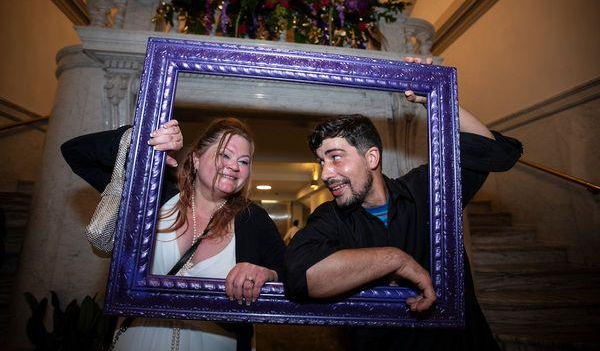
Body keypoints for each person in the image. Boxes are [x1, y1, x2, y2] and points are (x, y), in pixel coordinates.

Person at [285, 80, 522, 349]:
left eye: (335, 157)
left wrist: (435, 99)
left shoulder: (424, 191)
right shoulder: (330, 217)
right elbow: (298, 276)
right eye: (321, 162)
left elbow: (492, 151)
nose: (325, 173)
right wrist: (394, 259)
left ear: (371, 158)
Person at [61, 118, 286, 351]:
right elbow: (75, 152)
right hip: (138, 340)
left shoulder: (253, 220)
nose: (234, 166)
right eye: (225, 155)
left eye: (244, 161)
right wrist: (143, 139)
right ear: (196, 159)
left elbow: (291, 276)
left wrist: (266, 273)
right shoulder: (153, 195)